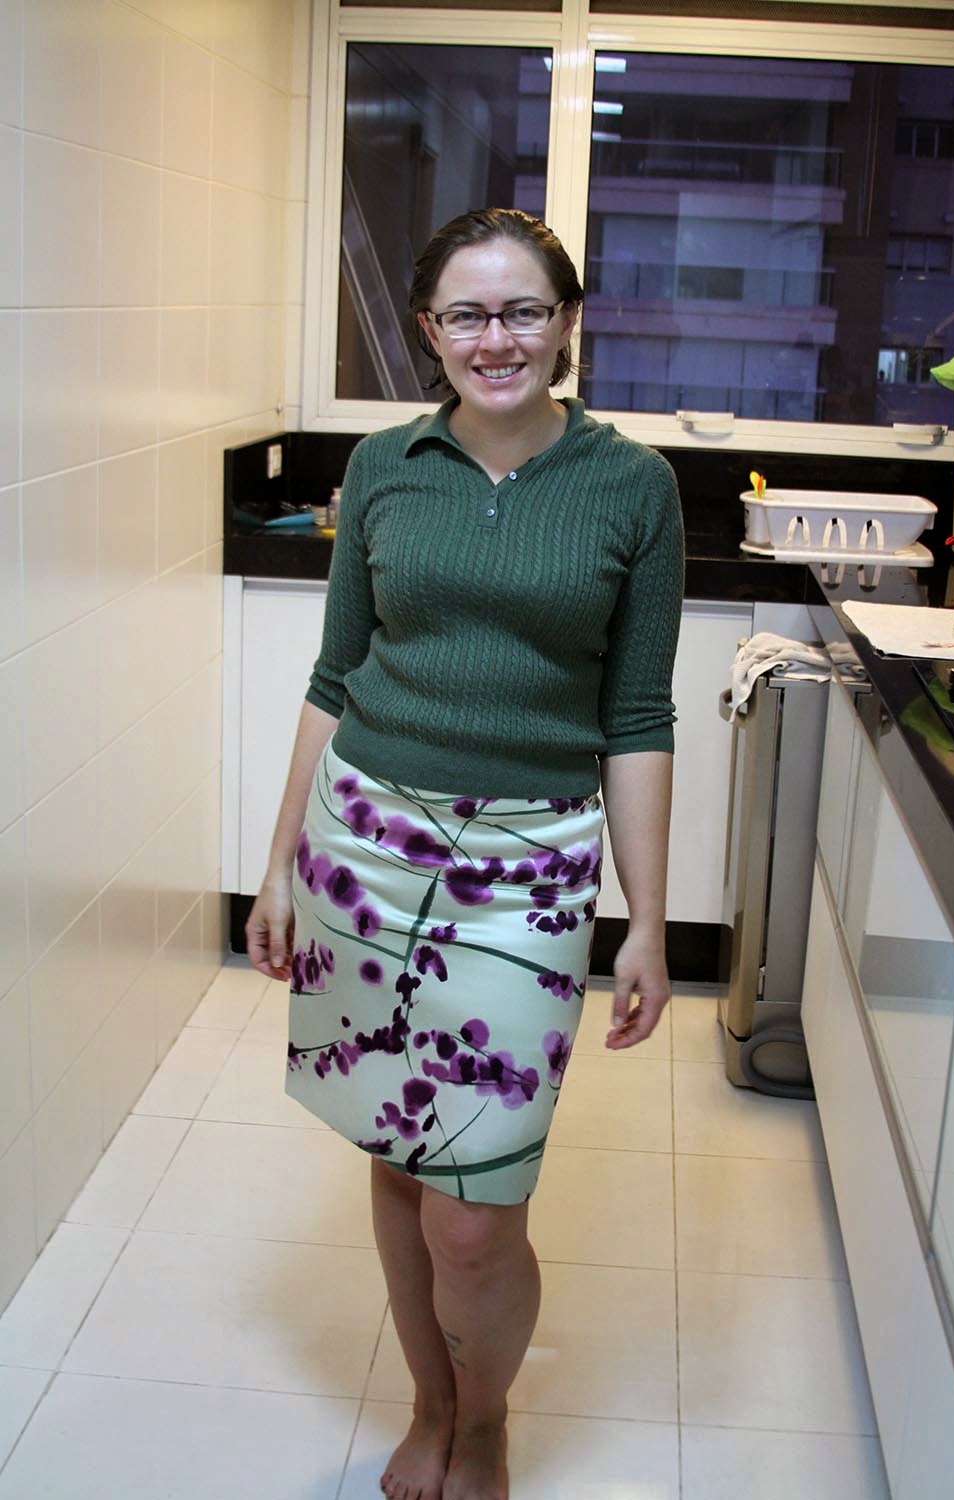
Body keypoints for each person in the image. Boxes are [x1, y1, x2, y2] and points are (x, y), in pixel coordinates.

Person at [246, 207, 684, 1500]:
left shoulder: (632, 486)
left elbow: (638, 714)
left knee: (476, 1212)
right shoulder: (385, 467)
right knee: (400, 1156)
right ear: (430, 331)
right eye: (467, 315)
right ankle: (430, 1404)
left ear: (567, 321)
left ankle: (483, 1418)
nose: (498, 340)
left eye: (524, 311)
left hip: (530, 870)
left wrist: (647, 920)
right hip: (365, 846)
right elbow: (334, 677)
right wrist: (278, 865)